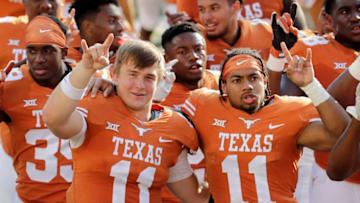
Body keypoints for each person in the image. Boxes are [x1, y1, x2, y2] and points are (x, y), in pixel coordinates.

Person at [43, 34, 210, 202]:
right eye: (133, 74)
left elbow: (196, 197)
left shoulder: (174, 126)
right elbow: (54, 119)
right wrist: (85, 69)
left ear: (159, 81)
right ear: (115, 75)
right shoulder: (96, 106)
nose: (139, 85)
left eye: (149, 77)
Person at [180, 42, 350, 202]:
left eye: (254, 78)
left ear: (265, 81)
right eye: (237, 80)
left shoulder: (290, 111)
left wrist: (311, 85)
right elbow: (166, 126)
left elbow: (343, 136)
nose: (247, 86)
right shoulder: (205, 105)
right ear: (224, 87)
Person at [267, 1, 360, 202]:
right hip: (334, 174)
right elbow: (278, 104)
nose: (356, 17)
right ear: (327, 18)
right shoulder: (311, 49)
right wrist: (277, 56)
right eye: (345, 11)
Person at [0, 15, 73, 202]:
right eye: (32, 51)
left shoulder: (92, 82)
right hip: (30, 197)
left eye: (47, 50)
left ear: (64, 52)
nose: (38, 59)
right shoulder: (11, 85)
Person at [197, 0, 273, 70]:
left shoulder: (263, 32)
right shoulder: (194, 41)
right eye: (201, 10)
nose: (206, 17)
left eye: (214, 8)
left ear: (235, 7)